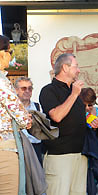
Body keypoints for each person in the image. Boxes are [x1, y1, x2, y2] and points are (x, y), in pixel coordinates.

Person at [39, 53, 88, 195]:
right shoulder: (49, 90)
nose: (78, 70)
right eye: (76, 66)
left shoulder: (74, 91)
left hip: (80, 155)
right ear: (65, 68)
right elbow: (57, 116)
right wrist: (74, 95)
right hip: (59, 156)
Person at [0, 35, 31, 194]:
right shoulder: (1, 82)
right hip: (4, 151)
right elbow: (21, 117)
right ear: (2, 54)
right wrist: (28, 118)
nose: (11, 56)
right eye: (9, 51)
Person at [14, 76, 43, 165]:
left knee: (36, 177)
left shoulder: (37, 106)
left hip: (36, 148)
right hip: (19, 148)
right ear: (16, 90)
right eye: (23, 88)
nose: (27, 91)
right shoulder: (12, 108)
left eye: (30, 88)